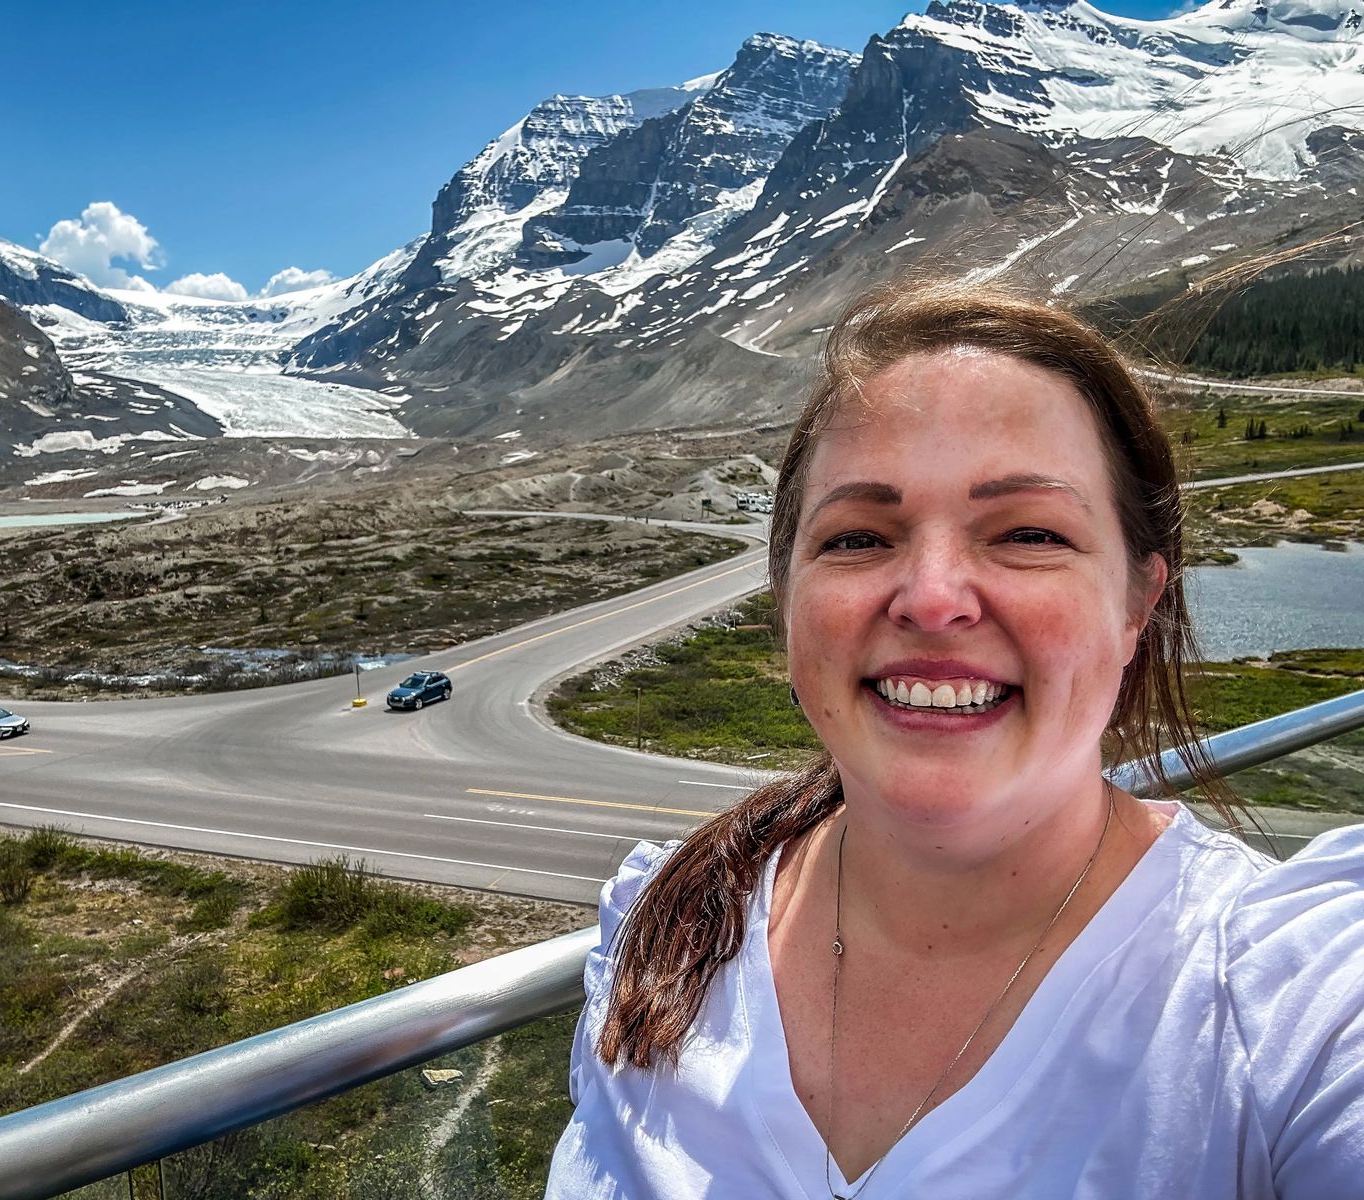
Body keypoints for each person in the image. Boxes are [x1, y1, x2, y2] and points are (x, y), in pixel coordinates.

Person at [545, 279, 1364, 1198]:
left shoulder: (1292, 1004)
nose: (933, 598)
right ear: (785, 603)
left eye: (1025, 531)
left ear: (1139, 601)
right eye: (858, 540)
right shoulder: (661, 937)